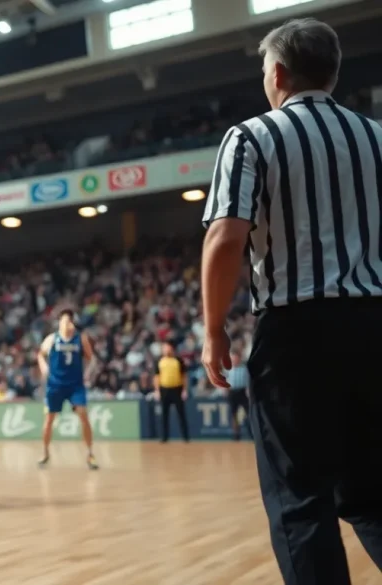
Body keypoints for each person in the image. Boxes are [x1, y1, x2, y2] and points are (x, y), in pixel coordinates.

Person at [201, 19, 382, 584]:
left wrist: (213, 329)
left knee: (300, 498)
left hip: (298, 333)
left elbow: (226, 237)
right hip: (375, 326)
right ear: (331, 72)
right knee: (375, 494)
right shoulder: (377, 137)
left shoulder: (252, 136)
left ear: (277, 73)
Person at [36, 309, 98, 470]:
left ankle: (90, 453)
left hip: (75, 385)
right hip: (55, 385)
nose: (65, 324)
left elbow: (92, 359)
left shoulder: (80, 339)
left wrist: (87, 374)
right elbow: (40, 354)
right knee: (49, 419)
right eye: (63, 321)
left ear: (72, 322)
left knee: (83, 415)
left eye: (68, 321)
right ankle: (45, 452)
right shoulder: (52, 339)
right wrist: (43, 367)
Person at [154, 342, 189, 443]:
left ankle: (185, 437)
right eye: (164, 348)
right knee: (164, 415)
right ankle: (164, 437)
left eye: (167, 347)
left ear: (171, 348)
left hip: (177, 389)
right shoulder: (159, 361)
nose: (165, 349)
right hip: (164, 390)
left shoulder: (178, 360)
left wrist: (184, 390)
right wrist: (157, 391)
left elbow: (184, 376)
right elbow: (156, 377)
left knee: (181, 414)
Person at [224, 351, 250, 441]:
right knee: (233, 414)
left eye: (236, 358)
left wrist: (248, 390)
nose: (234, 360)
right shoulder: (227, 369)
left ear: (239, 358)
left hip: (242, 392)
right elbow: (225, 380)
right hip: (232, 392)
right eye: (233, 358)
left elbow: (248, 380)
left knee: (248, 413)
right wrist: (226, 390)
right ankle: (236, 435)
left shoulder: (244, 368)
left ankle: (251, 433)